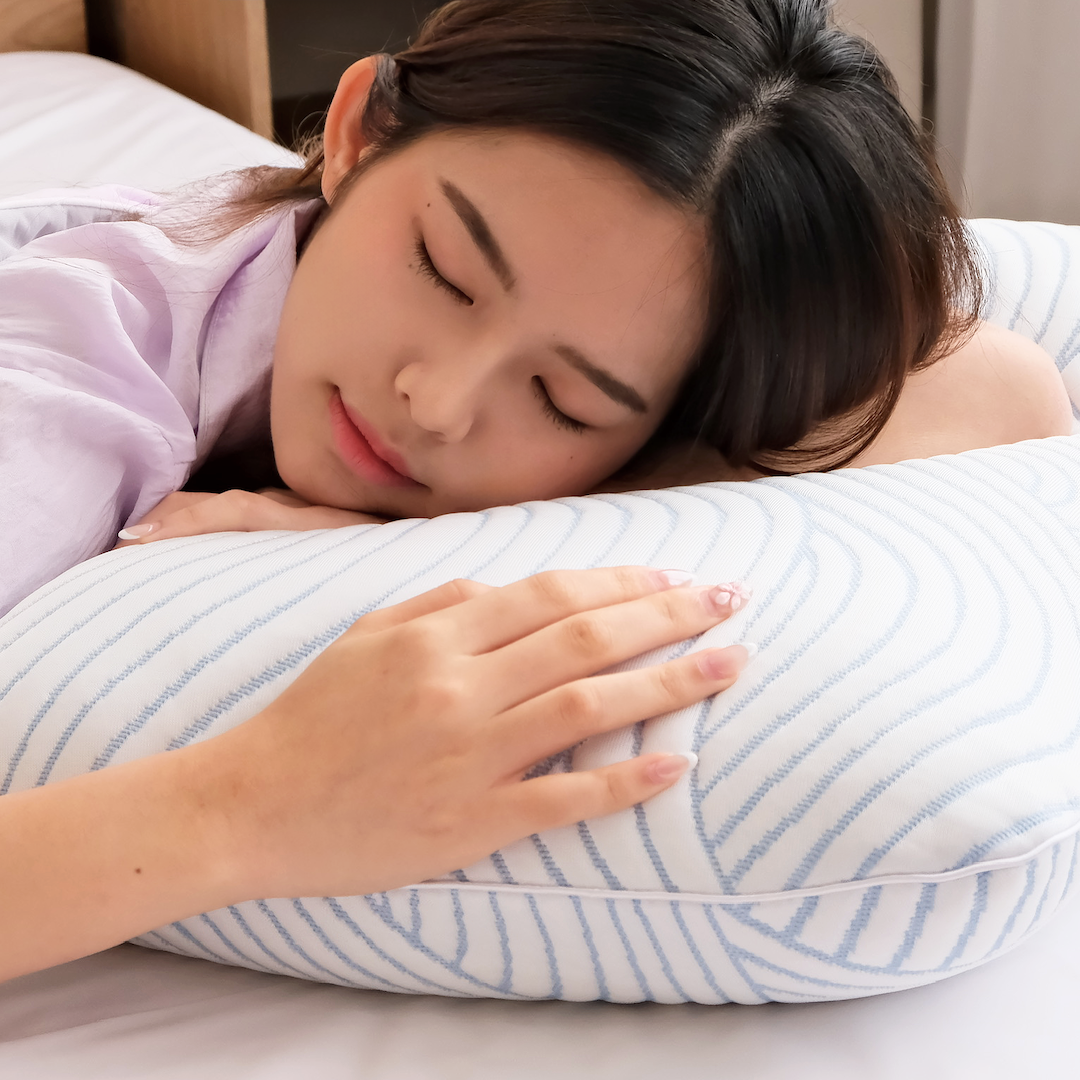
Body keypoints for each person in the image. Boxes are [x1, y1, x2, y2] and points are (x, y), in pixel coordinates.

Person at [0, 0, 1071, 981]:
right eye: (444, 269)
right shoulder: (63, 388)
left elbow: (1003, 389)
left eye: (567, 399)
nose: (437, 403)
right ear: (357, 134)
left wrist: (381, 539)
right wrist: (245, 808)